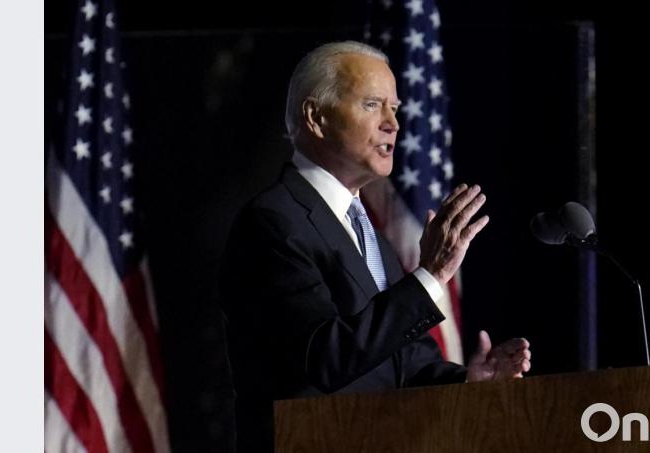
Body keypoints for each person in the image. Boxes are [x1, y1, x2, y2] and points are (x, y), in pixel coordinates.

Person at [219, 41, 531, 452]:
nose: (393, 124)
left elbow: (399, 360)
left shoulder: (365, 230)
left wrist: (466, 380)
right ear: (316, 117)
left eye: (395, 108)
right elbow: (327, 358)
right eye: (372, 105)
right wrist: (430, 275)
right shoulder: (273, 222)